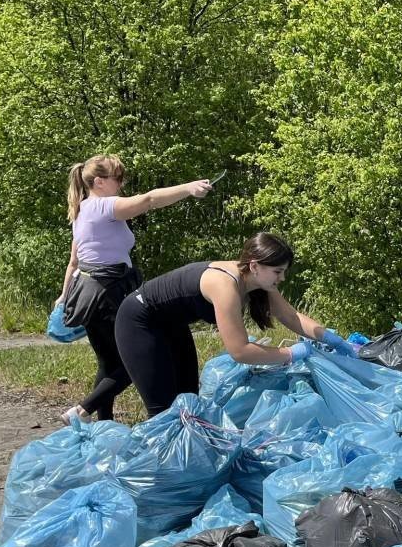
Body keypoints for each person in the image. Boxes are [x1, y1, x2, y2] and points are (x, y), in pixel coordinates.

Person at [114, 232, 357, 416]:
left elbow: (290, 317)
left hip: (173, 324)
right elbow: (240, 351)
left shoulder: (258, 280)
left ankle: (186, 471)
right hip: (139, 320)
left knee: (188, 401)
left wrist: (329, 338)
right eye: (278, 271)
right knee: (163, 409)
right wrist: (292, 353)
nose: (282, 278)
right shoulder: (225, 285)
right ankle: (160, 476)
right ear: (255, 266)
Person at [57, 155, 213, 424]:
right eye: (118, 178)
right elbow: (150, 200)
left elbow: (74, 261)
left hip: (89, 292)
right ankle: (82, 410)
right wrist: (188, 188)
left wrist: (64, 296)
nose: (122, 183)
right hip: (110, 292)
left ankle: (103, 426)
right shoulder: (103, 207)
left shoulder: (82, 209)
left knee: (109, 363)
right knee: (135, 357)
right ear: (99, 182)